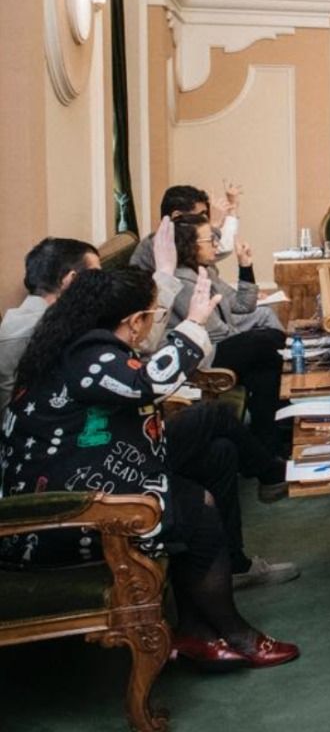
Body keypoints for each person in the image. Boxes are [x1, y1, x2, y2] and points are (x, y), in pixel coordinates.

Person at [0, 267, 298, 670]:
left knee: (219, 452)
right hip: (64, 510)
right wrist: (193, 323)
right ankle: (235, 631)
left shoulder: (77, 344)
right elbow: (149, 383)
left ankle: (196, 628)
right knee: (200, 505)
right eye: (153, 315)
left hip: (97, 471)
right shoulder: (87, 356)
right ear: (133, 320)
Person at [170, 222, 287, 454]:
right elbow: (217, 334)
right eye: (209, 240)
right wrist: (249, 338)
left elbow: (243, 304)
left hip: (222, 345)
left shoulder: (206, 271)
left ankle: (269, 442)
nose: (216, 244)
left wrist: (245, 266)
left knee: (264, 372)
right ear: (189, 247)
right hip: (204, 356)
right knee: (268, 342)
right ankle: (281, 423)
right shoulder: (181, 281)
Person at [1, 236, 99, 407]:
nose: (100, 284)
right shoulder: (30, 331)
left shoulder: (17, 323)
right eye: (95, 275)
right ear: (71, 280)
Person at [129, 182, 240, 270]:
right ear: (177, 216)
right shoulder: (163, 244)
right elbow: (220, 249)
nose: (205, 220)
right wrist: (214, 224)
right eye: (201, 215)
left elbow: (223, 246)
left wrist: (232, 208)